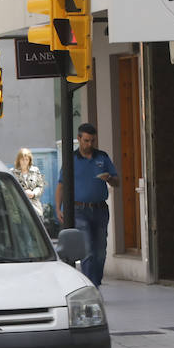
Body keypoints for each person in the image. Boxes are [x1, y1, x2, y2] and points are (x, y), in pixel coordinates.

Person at [55, 123, 120, 287]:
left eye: (92, 141)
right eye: (86, 141)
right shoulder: (71, 159)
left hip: (100, 210)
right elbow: (61, 185)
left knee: (100, 251)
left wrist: (110, 179)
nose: (89, 144)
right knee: (88, 250)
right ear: (79, 139)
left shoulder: (102, 157)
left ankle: (96, 283)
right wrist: (58, 208)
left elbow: (117, 182)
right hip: (79, 210)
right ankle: (92, 287)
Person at [11, 148, 45, 219]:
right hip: (19, 210)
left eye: (27, 159)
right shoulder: (12, 172)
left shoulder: (35, 171)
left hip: (35, 208)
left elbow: (40, 186)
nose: (24, 162)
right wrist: (23, 193)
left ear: (29, 160)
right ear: (19, 160)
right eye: (22, 159)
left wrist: (33, 194)